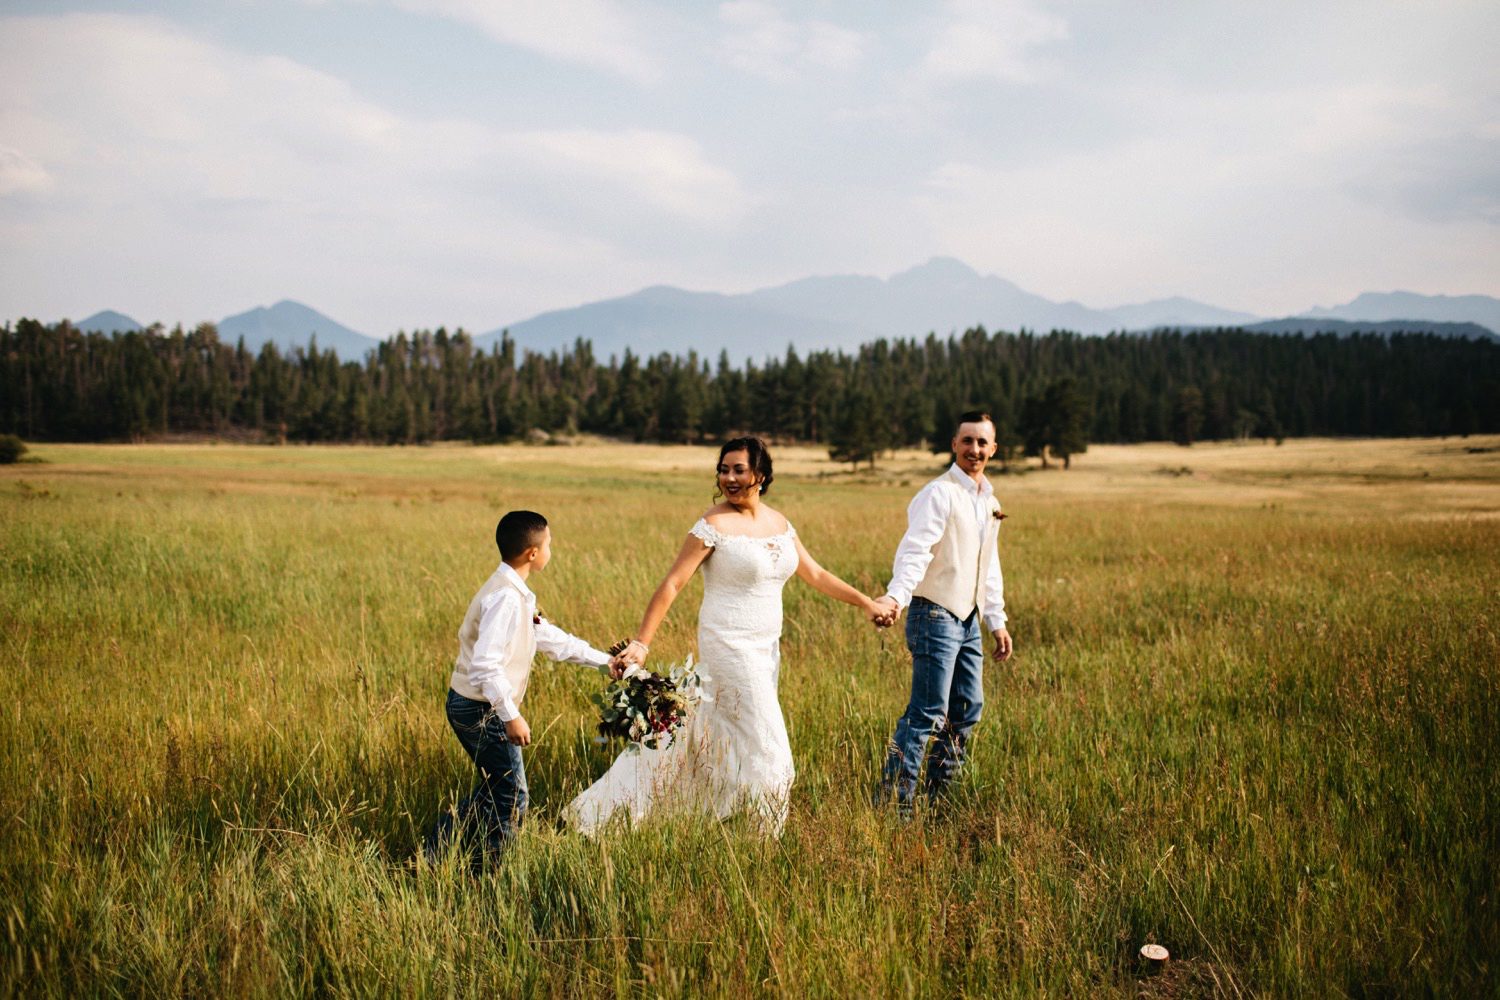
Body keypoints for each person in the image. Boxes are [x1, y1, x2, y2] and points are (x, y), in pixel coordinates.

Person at [565, 437, 888, 837]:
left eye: (739, 469)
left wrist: (865, 603)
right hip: (728, 646)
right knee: (771, 748)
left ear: (761, 474)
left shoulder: (780, 523)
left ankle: (667, 813)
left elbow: (816, 574)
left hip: (766, 649)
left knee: (720, 737)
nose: (729, 478)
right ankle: (763, 837)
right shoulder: (713, 524)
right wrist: (642, 643)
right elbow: (673, 583)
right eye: (724, 469)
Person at [425, 510, 614, 865]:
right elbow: (485, 664)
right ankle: (493, 869)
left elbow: (549, 639)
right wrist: (510, 716)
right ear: (532, 553)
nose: (550, 550)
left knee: (497, 787)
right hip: (481, 708)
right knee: (512, 795)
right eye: (549, 544)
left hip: (477, 704)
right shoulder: (506, 599)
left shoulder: (514, 592)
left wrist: (605, 662)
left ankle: (435, 855)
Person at [872, 410, 1013, 814]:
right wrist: (896, 598)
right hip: (934, 614)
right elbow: (915, 552)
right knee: (927, 714)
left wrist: (996, 620)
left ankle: (938, 800)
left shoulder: (990, 500)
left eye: (982, 442)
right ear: (954, 445)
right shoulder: (939, 493)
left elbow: (989, 564)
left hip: (968, 619)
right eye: (967, 441)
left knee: (968, 710)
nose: (974, 449)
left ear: (994, 449)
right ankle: (895, 806)